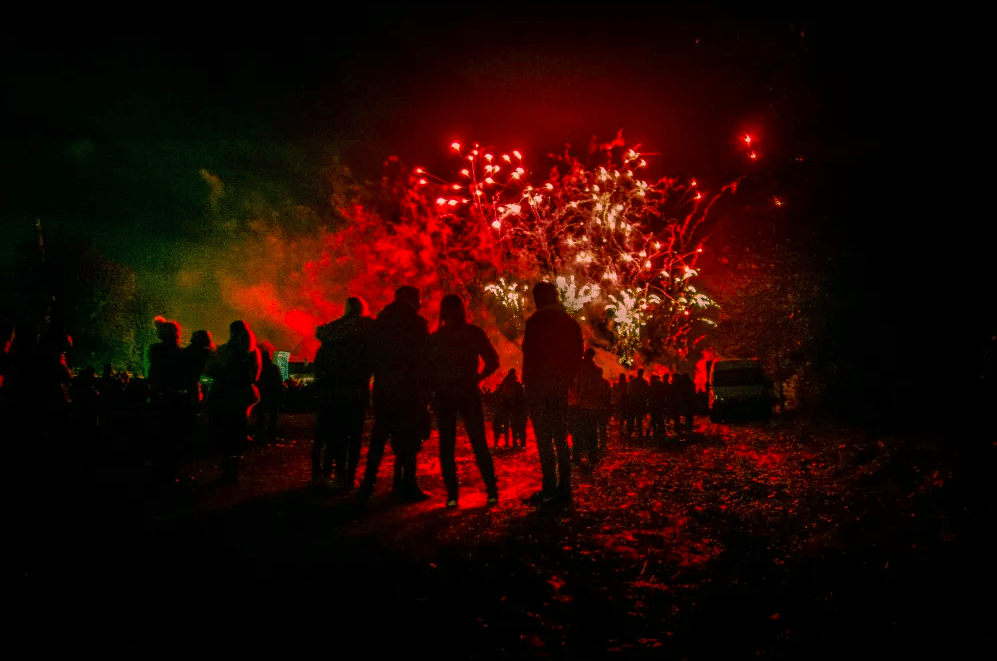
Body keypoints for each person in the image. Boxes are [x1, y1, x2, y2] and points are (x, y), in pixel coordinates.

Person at [357, 286, 431, 502]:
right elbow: (425, 359)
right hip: (409, 390)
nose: (420, 303)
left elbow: (370, 356)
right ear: (409, 299)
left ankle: (368, 485)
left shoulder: (380, 323)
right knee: (407, 441)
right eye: (417, 298)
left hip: (384, 389)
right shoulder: (416, 324)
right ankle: (405, 486)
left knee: (379, 439)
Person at [426, 294, 500, 508]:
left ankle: (451, 496)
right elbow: (493, 361)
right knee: (479, 443)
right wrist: (477, 378)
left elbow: (427, 370)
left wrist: (432, 390)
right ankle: (492, 491)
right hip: (468, 392)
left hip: (444, 394)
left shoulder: (436, 338)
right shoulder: (473, 333)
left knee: (446, 446)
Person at [522, 281, 583, 505]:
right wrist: (568, 380)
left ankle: (549, 485)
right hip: (559, 387)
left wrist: (527, 384)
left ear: (540, 298)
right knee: (560, 435)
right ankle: (564, 487)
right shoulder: (569, 322)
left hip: (539, 387)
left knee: (544, 439)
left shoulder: (535, 321)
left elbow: (528, 354)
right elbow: (578, 353)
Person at [313, 297, 376, 489]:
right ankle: (348, 476)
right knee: (354, 435)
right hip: (356, 389)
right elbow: (372, 361)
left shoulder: (331, 332)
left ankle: (332, 474)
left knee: (336, 435)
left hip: (333, 390)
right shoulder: (366, 331)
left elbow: (320, 363)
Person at [205, 320, 262, 484]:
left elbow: (211, 370)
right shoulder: (253, 352)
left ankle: (227, 472)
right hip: (242, 396)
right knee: (236, 435)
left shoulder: (225, 350)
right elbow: (254, 377)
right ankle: (233, 472)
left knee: (225, 434)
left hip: (225, 396)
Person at [148, 316, 191, 485]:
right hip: (175, 399)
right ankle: (171, 473)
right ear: (176, 334)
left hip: (160, 397)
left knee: (162, 436)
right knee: (173, 437)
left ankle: (160, 473)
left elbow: (152, 374)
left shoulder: (155, 350)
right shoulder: (180, 353)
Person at [572, 347, 602, 465]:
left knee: (578, 431)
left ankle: (577, 456)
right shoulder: (596, 370)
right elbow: (598, 389)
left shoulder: (581, 369)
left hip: (581, 405)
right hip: (592, 406)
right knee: (592, 432)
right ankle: (592, 456)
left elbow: (576, 386)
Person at [256, 347, 284, 445]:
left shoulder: (259, 368)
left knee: (261, 417)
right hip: (272, 395)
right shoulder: (274, 368)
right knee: (272, 418)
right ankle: (272, 437)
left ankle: (260, 437)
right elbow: (279, 382)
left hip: (263, 395)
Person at [628, 368, 649, 440]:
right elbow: (647, 393)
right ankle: (639, 434)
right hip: (640, 402)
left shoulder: (633, 381)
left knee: (632, 418)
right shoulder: (644, 382)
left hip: (634, 402)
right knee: (639, 419)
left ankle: (630, 433)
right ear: (642, 373)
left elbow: (629, 392)